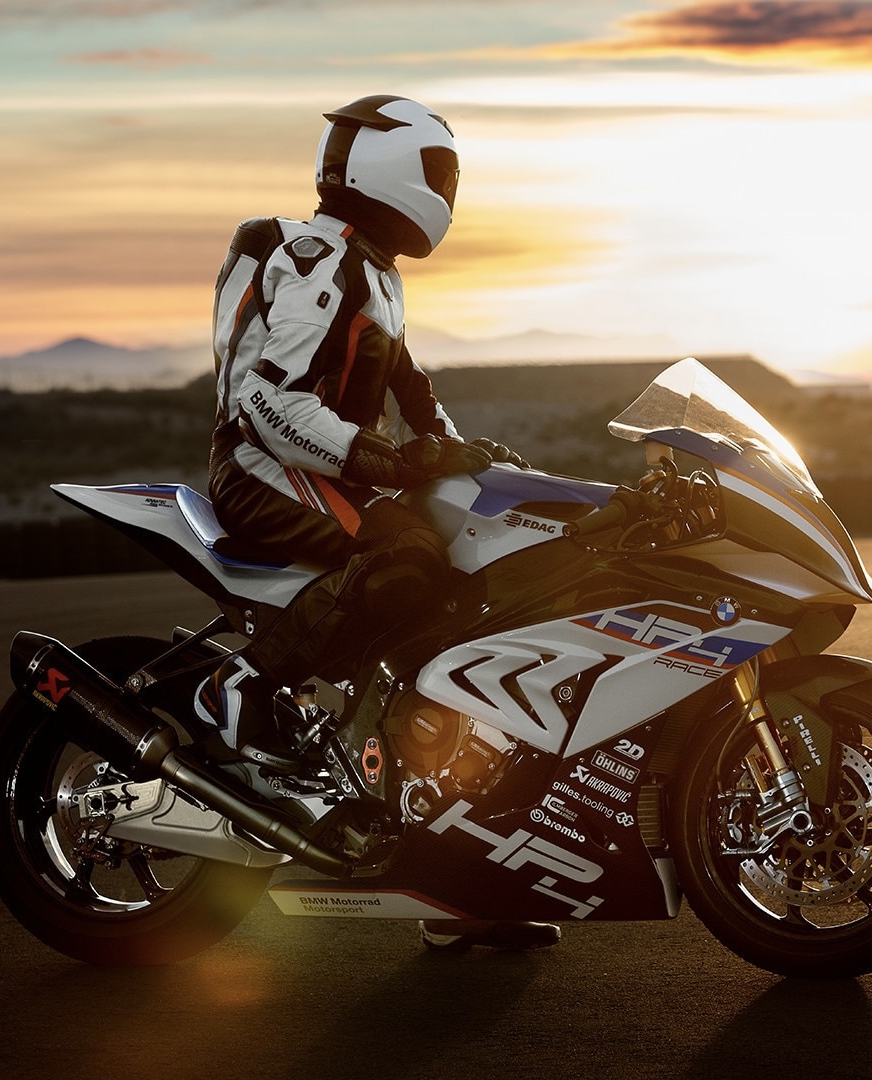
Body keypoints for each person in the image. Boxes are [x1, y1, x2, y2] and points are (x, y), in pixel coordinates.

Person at [197, 94, 556, 952]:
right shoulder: (323, 257)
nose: (447, 189)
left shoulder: (374, 270)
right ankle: (243, 687)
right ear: (389, 167)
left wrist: (468, 458)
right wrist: (392, 465)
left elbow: (411, 392)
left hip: (331, 468)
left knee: (469, 600)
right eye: (439, 171)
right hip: (265, 468)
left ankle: (445, 870)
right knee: (410, 566)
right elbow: (269, 402)